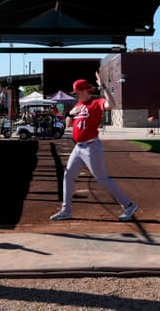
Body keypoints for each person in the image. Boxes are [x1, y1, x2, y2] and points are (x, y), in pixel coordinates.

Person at [50, 73, 139, 222]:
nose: (76, 95)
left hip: (91, 146)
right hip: (78, 147)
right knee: (68, 176)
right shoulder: (78, 105)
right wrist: (69, 114)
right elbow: (69, 124)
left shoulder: (96, 102)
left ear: (86, 90)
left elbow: (112, 105)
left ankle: (129, 205)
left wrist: (104, 87)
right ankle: (66, 210)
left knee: (102, 179)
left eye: (78, 92)